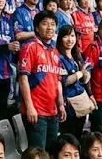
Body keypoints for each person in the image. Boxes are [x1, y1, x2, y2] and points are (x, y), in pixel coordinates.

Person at [18, 10, 66, 149]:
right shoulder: (30, 47)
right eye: (45, 24)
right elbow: (23, 79)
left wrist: (60, 104)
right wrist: (30, 107)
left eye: (52, 24)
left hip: (53, 111)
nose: (50, 27)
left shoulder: (55, 51)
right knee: (38, 154)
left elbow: (57, 80)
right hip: (37, 111)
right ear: (37, 28)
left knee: (51, 153)